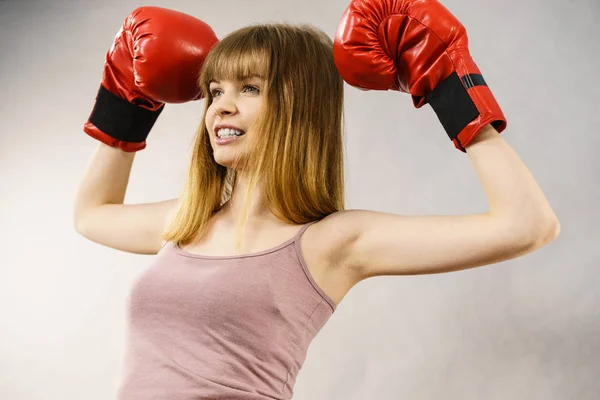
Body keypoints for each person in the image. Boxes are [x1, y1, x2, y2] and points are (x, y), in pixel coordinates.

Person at [73, 1, 560, 399]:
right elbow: (92, 215)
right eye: (214, 90)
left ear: (298, 107)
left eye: (250, 88)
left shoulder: (331, 242)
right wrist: (125, 101)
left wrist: (450, 83)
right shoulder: (187, 221)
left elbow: (527, 225)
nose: (221, 104)